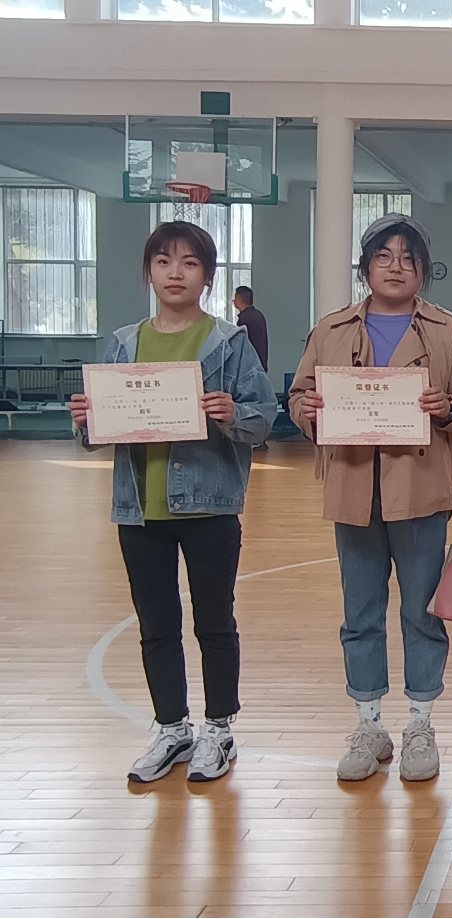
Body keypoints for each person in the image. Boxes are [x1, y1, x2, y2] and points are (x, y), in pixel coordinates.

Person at [69, 221, 276, 784]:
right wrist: (86, 421)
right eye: (163, 262)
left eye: (189, 262)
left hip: (210, 505)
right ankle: (171, 727)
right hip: (139, 508)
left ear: (208, 276)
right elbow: (98, 432)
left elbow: (263, 418)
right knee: (155, 624)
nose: (175, 273)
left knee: (214, 623)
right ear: (149, 272)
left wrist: (234, 414)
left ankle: (219, 728)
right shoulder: (123, 342)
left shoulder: (228, 342)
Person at [289, 214, 452, 783]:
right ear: (366, 266)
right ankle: (368, 724)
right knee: (360, 613)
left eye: (408, 257)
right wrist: (309, 412)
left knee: (423, 612)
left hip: (421, 491)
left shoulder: (448, 331)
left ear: (423, 269)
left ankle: (421, 724)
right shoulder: (331, 330)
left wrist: (450, 409)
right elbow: (299, 396)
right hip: (353, 488)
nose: (396, 266)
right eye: (384, 255)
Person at [233, 286, 270, 451]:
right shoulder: (258, 315)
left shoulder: (245, 319)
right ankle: (260, 439)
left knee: (250, 403)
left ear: (238, 299)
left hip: (249, 368)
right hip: (261, 364)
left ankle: (254, 439)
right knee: (259, 401)